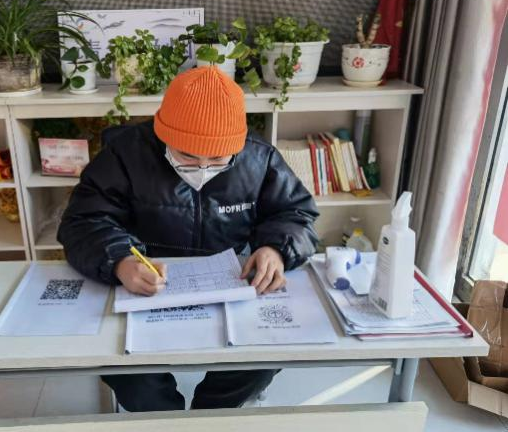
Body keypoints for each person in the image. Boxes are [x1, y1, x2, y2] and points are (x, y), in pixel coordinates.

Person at [58, 65, 319, 411]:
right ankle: (164, 422)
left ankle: (209, 418)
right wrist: (119, 260)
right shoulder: (125, 154)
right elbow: (83, 221)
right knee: (131, 377)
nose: (202, 168)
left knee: (259, 360)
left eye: (217, 159)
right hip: (145, 281)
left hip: (233, 281)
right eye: (187, 156)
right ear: (163, 135)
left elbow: (296, 213)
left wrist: (276, 249)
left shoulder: (259, 158)